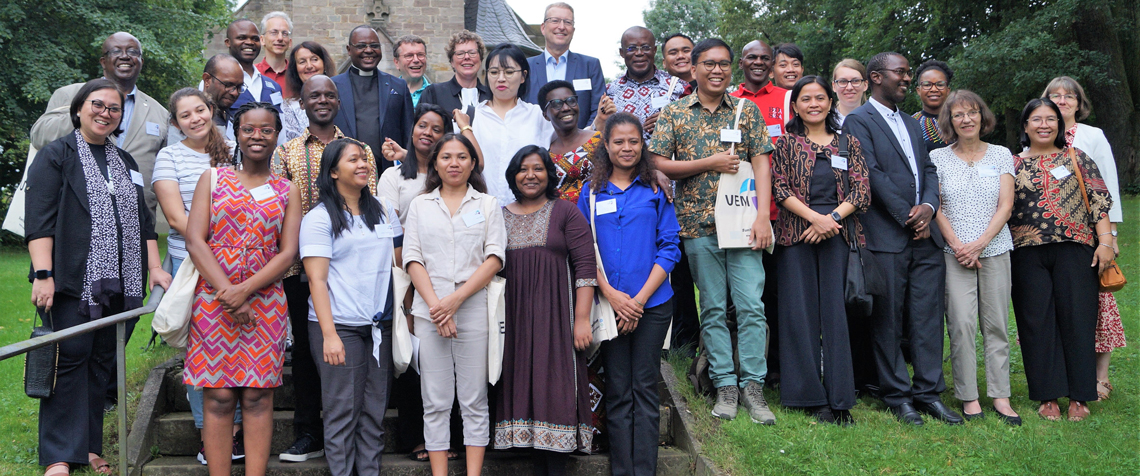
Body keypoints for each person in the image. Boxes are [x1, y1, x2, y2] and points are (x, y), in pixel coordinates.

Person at [26, 78, 171, 476]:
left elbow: (143, 223)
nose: (105, 112)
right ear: (79, 109)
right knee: (70, 359)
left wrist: (155, 268)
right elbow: (39, 220)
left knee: (101, 363)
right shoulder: (56, 155)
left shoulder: (124, 162)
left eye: (114, 108)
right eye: (98, 104)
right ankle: (59, 455)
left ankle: (87, 448)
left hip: (122, 283)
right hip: (71, 280)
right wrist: (43, 274)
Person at [650, 38, 776, 425]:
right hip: (697, 225)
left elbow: (761, 163)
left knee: (752, 306)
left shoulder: (746, 110)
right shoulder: (674, 114)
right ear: (694, 68)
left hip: (742, 224)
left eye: (723, 64)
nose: (717, 70)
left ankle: (753, 387)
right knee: (714, 308)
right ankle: (723, 384)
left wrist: (762, 217)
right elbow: (657, 161)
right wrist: (710, 162)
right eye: (709, 64)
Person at [842, 52, 960, 426]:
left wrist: (927, 206)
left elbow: (928, 167)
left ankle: (928, 394)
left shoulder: (911, 123)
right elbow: (871, 174)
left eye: (909, 73)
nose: (908, 79)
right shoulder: (858, 121)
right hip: (885, 236)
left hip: (926, 238)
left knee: (926, 319)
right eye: (902, 73)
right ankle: (898, 396)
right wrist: (909, 216)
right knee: (888, 322)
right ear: (876, 77)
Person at [183, 102, 301, 475]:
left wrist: (245, 290)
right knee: (217, 396)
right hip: (213, 299)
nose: (257, 136)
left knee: (257, 395)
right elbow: (195, 241)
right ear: (237, 132)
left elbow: (288, 252)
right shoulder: (214, 179)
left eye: (266, 130)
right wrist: (228, 292)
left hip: (265, 302)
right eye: (249, 129)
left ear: (277, 136)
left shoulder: (287, 190)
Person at [272, 75, 380, 463]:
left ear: (338, 101)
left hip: (352, 267)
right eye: (314, 95)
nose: (322, 100)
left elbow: (372, 204)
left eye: (329, 95)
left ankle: (356, 443)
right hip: (301, 266)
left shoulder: (360, 149)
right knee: (306, 350)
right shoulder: (286, 151)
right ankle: (307, 431)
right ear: (301, 103)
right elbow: (278, 206)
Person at [579, 113, 679, 476]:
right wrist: (612, 296)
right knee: (619, 389)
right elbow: (584, 251)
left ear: (643, 145)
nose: (626, 148)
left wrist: (637, 301)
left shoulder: (656, 189)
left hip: (652, 304)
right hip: (608, 306)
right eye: (618, 141)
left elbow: (669, 247)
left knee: (645, 388)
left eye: (633, 141)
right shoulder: (590, 193)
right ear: (605, 145)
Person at [403, 134, 506, 476]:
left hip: (473, 306)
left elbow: (494, 258)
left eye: (462, 157)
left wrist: (456, 300)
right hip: (429, 309)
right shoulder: (420, 205)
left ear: (473, 162)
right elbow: (412, 258)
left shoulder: (487, 204)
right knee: (434, 400)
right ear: (434, 163)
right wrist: (437, 307)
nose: (454, 163)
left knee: (474, 398)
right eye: (446, 157)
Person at [377, 103, 475, 462]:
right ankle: (417, 437)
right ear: (412, 129)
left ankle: (458, 436)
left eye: (437, 128)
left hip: (453, 275)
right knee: (413, 357)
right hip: (407, 274)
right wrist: (414, 273)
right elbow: (391, 230)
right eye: (423, 125)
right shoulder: (392, 176)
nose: (428, 133)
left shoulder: (451, 171)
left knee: (456, 361)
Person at [152, 88, 245, 464]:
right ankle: (210, 436)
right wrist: (212, 249)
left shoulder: (234, 149)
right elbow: (176, 218)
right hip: (191, 266)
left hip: (239, 267)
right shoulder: (169, 157)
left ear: (210, 111)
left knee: (238, 348)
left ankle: (235, 434)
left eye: (200, 110)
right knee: (202, 355)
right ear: (175, 123)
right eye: (185, 115)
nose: (195, 119)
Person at [770, 75, 869, 426]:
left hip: (838, 236)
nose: (813, 104)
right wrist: (815, 219)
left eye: (820, 98)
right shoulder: (785, 144)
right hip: (797, 236)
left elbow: (861, 191)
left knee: (835, 316)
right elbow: (779, 189)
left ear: (830, 102)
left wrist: (830, 220)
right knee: (800, 315)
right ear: (795, 105)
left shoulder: (848, 143)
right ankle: (808, 396)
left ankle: (841, 397)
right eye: (806, 99)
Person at [300, 138, 402, 475]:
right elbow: (316, 280)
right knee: (342, 410)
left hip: (379, 326)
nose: (362, 165)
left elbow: (397, 264)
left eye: (364, 159)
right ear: (332, 172)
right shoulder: (319, 218)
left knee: (374, 411)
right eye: (352, 160)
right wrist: (329, 335)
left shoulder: (384, 209)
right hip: (338, 326)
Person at [1009, 98, 1113, 422]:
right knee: (1036, 323)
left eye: (1051, 119)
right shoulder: (1010, 164)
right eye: (1036, 119)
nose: (1044, 124)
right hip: (1026, 251)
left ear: (1060, 124)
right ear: (1025, 126)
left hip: (1076, 248)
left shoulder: (1076, 157)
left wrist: (1106, 241)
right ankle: (1047, 395)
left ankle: (1081, 395)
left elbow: (1098, 200)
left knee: (1078, 320)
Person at [496, 145, 597, 475]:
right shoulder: (499, 215)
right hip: (512, 322)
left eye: (538, 168)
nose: (530, 175)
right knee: (518, 381)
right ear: (513, 175)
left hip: (556, 319)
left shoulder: (565, 212)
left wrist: (581, 319)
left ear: (549, 174)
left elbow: (585, 267)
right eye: (523, 169)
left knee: (555, 385)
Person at [929, 90, 1020, 426]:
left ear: (983, 116)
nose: (966, 119)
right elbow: (936, 205)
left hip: (994, 249)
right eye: (958, 115)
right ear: (949, 121)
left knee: (996, 324)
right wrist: (957, 245)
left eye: (972, 113)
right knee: (962, 324)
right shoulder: (938, 158)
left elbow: (1006, 205)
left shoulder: (1000, 154)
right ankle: (968, 396)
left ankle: (1001, 395)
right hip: (953, 254)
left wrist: (979, 244)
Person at [1042, 76, 1126, 401]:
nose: (1062, 101)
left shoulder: (1092, 136)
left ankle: (1100, 377)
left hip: (1093, 232)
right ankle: (1066, 370)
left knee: (1099, 301)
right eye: (1055, 95)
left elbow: (1109, 182)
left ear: (1079, 103)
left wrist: (1111, 234)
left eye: (1069, 96)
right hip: (1054, 235)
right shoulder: (1039, 134)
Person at [30, 32, 170, 217]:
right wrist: (87, 112)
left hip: (135, 220)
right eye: (116, 51)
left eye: (133, 51)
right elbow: (40, 136)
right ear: (103, 61)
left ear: (141, 61)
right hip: (73, 214)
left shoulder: (160, 113)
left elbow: (165, 170)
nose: (125, 55)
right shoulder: (70, 94)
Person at [472, 43, 554, 205]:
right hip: (481, 210)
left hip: (527, 210)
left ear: (523, 76)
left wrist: (597, 124)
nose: (501, 78)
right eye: (494, 72)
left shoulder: (538, 115)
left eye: (509, 72)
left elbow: (568, 141)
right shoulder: (472, 117)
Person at [332, 25, 414, 175]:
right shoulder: (332, 87)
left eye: (374, 46)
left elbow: (408, 133)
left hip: (389, 174)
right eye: (361, 46)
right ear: (349, 50)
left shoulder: (398, 86)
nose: (369, 50)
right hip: (345, 175)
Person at [523, 2, 606, 129]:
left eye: (567, 22)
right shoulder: (525, 67)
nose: (561, 27)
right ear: (543, 28)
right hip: (534, 145)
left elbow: (599, 110)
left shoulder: (590, 66)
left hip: (581, 146)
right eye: (555, 21)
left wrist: (582, 144)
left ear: (573, 30)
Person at [606, 26, 683, 138]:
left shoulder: (678, 86)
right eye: (631, 48)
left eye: (645, 47)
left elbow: (697, 126)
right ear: (622, 53)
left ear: (654, 50)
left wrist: (674, 121)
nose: (639, 53)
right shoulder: (609, 91)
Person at [539, 80, 602, 203]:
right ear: (545, 115)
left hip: (597, 218)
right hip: (561, 220)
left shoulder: (600, 141)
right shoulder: (545, 155)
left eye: (571, 101)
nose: (566, 108)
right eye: (556, 104)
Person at [420, 30, 491, 123]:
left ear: (480, 59)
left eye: (472, 52)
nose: (467, 57)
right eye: (460, 53)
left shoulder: (492, 96)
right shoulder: (434, 94)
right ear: (452, 62)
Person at [731, 40, 789, 141]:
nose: (758, 62)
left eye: (765, 58)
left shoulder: (788, 99)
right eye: (752, 57)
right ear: (741, 63)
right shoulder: (728, 101)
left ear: (772, 64)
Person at [224, 19, 285, 114]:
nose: (250, 42)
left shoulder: (274, 87)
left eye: (255, 39)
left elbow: (281, 125)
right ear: (228, 42)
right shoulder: (217, 82)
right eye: (241, 38)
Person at [281, 42, 337, 142]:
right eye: (302, 62)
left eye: (314, 59)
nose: (309, 66)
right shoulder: (289, 107)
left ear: (324, 63)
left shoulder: (338, 98)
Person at [201, 54, 247, 138]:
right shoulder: (190, 119)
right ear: (207, 80)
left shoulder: (231, 118)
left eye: (239, 87)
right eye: (228, 85)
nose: (235, 93)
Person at [911, 60, 952, 152]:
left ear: (948, 90)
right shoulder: (910, 124)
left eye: (940, 84)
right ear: (918, 90)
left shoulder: (961, 120)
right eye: (927, 85)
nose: (934, 89)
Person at [257, 12, 293, 92]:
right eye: (274, 33)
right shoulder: (253, 73)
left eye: (284, 33)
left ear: (290, 42)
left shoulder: (297, 74)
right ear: (262, 40)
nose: (280, 38)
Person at [394, 35, 431, 106]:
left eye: (420, 55)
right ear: (396, 62)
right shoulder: (387, 93)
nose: (416, 60)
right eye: (409, 56)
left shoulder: (437, 94)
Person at [832, 59, 867, 126]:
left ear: (865, 85)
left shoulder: (877, 120)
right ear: (834, 86)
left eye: (855, 81)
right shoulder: (824, 121)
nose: (849, 87)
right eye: (843, 81)